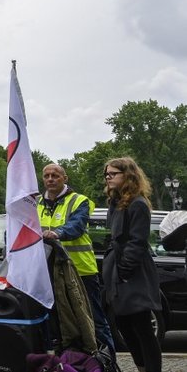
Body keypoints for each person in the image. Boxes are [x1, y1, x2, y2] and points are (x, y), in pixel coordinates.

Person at [36, 163, 114, 355]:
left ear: (65, 178)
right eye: (46, 176)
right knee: (58, 323)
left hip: (81, 271)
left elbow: (76, 226)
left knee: (94, 320)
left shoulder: (80, 201)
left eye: (55, 175)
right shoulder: (36, 203)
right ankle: (66, 362)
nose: (50, 179)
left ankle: (107, 361)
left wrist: (57, 233)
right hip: (50, 272)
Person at [103, 157, 162, 372]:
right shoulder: (115, 202)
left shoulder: (138, 203)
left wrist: (125, 271)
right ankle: (141, 367)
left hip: (133, 271)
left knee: (142, 326)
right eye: (107, 174)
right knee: (124, 325)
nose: (108, 178)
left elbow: (138, 241)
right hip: (118, 269)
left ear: (127, 175)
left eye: (113, 174)